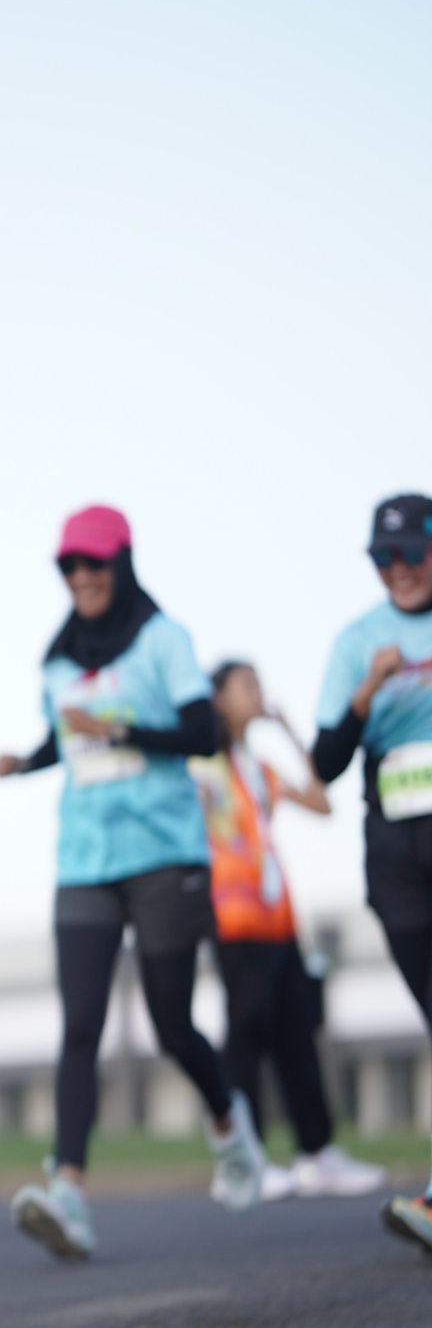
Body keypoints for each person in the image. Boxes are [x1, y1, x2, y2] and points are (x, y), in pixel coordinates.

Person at [0, 503, 262, 1259]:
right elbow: (67, 739)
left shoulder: (163, 639)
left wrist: (118, 728)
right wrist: (28, 760)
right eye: (70, 566)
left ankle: (227, 1121)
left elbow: (204, 733)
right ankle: (69, 1193)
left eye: (94, 564)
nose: (82, 577)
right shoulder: (57, 659)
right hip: (85, 861)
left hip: (165, 856)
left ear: (121, 564)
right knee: (80, 1026)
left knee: (171, 1023)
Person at [194, 662, 384, 1200]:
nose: (258, 693)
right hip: (233, 919)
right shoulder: (204, 765)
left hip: (277, 919)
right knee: (245, 1034)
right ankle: (242, 1158)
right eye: (246, 685)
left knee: (296, 1033)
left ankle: (316, 1152)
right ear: (218, 698)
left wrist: (289, 733)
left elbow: (321, 803)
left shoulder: (258, 769)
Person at [311, 494, 432, 1252]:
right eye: (382, 558)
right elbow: (324, 763)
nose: (397, 570)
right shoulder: (358, 640)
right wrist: (368, 691)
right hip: (395, 851)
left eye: (410, 553)